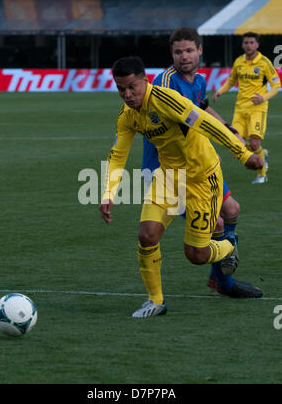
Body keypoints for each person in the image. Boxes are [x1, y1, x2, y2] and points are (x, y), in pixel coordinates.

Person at [99, 56, 262, 318]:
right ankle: (156, 301)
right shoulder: (127, 115)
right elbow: (118, 154)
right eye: (121, 89)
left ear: (145, 80)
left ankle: (229, 246)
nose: (127, 95)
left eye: (132, 87)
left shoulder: (166, 100)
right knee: (146, 235)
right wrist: (108, 193)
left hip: (202, 178)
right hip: (168, 177)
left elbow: (207, 124)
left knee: (196, 255)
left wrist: (242, 154)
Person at [143, 28, 262, 298]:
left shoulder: (197, 79)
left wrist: (227, 127)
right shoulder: (166, 82)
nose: (183, 57)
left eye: (188, 50)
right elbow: (181, 125)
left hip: (198, 165)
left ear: (200, 51)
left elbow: (202, 109)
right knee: (217, 225)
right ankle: (226, 282)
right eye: (177, 52)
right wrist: (209, 146)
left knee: (232, 208)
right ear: (171, 54)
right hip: (168, 171)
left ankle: (218, 278)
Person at [213, 32, 281, 184]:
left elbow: (277, 85)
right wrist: (220, 91)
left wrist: (263, 98)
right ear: (243, 45)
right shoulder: (239, 62)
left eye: (252, 42)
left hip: (258, 109)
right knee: (236, 146)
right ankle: (262, 153)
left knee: (254, 143)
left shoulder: (264, 62)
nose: (249, 45)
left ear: (257, 44)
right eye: (246, 42)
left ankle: (261, 174)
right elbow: (231, 81)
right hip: (240, 109)